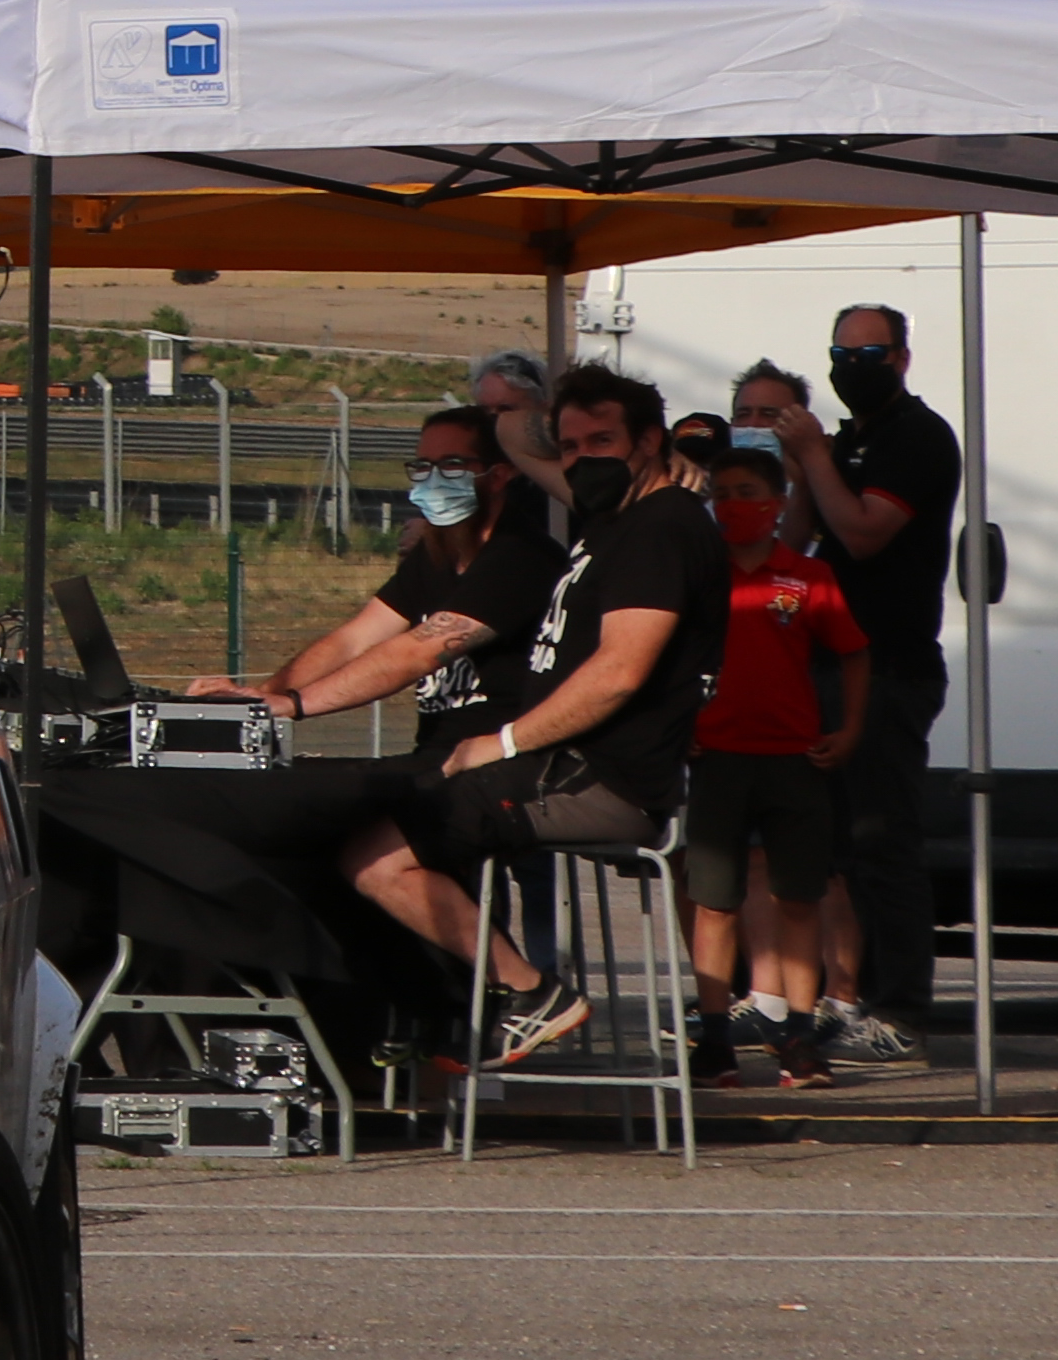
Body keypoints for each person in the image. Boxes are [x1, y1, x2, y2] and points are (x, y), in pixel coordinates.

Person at [317, 367, 724, 1072]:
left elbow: (619, 672)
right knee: (377, 807)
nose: (580, 458)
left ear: (650, 442)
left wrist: (501, 742)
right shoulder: (617, 512)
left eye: (603, 440)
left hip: (597, 777)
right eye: (568, 445)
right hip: (558, 763)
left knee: (375, 855)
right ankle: (432, 1019)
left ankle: (528, 993)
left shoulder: (661, 526)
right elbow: (510, 428)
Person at [756, 304, 961, 1069]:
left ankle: (902, 1008)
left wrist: (813, 455)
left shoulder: (917, 437)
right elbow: (797, 539)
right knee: (838, 848)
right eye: (840, 353)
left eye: (869, 353)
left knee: (883, 842)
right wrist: (796, 461)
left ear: (902, 358)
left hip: (890, 665)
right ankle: (854, 997)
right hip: (829, 662)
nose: (853, 366)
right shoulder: (846, 442)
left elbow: (865, 530)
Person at [679, 438, 869, 1086]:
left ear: (778, 504)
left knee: (798, 899)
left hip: (794, 759)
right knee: (714, 902)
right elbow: (661, 654)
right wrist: (678, 726)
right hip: (719, 759)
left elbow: (853, 652)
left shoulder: (808, 576)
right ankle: (714, 1042)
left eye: (747, 495)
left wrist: (848, 730)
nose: (732, 507)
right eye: (721, 495)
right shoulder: (698, 574)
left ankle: (797, 1037)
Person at [237, 401, 563, 727]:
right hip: (438, 757)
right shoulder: (438, 551)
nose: (434, 479)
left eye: (451, 465)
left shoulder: (520, 557)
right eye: (424, 467)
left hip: (498, 759)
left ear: (497, 476)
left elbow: (416, 653)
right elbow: (355, 638)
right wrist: (259, 696)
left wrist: (295, 704)